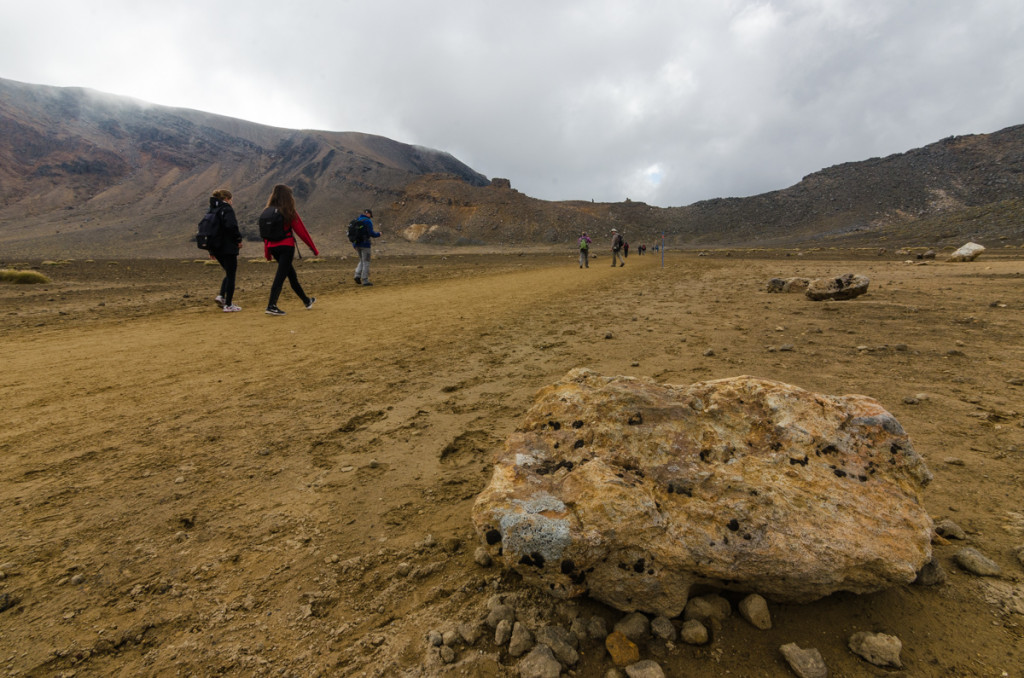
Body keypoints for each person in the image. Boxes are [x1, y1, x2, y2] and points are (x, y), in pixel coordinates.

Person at [262, 184, 319, 315]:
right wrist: (313, 249)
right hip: (286, 247)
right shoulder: (288, 210)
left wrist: (268, 253)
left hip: (273, 248)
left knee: (291, 275)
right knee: (280, 276)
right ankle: (271, 305)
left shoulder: (267, 211)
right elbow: (301, 231)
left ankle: (306, 300)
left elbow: (266, 235)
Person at [207, 188, 243, 312]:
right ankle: (228, 305)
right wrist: (238, 239)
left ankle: (222, 296)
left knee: (228, 272)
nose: (231, 202)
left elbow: (209, 230)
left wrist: (211, 250)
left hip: (216, 248)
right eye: (231, 199)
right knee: (231, 274)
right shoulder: (226, 209)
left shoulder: (212, 210)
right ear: (226, 199)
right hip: (227, 247)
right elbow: (232, 226)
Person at [351, 209, 381, 286]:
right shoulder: (368, 221)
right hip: (365, 245)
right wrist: (378, 234)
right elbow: (371, 233)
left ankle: (357, 275)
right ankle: (365, 280)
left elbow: (352, 233)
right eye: (370, 215)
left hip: (357, 244)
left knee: (361, 260)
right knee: (366, 262)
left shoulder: (357, 220)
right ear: (369, 214)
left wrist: (354, 244)